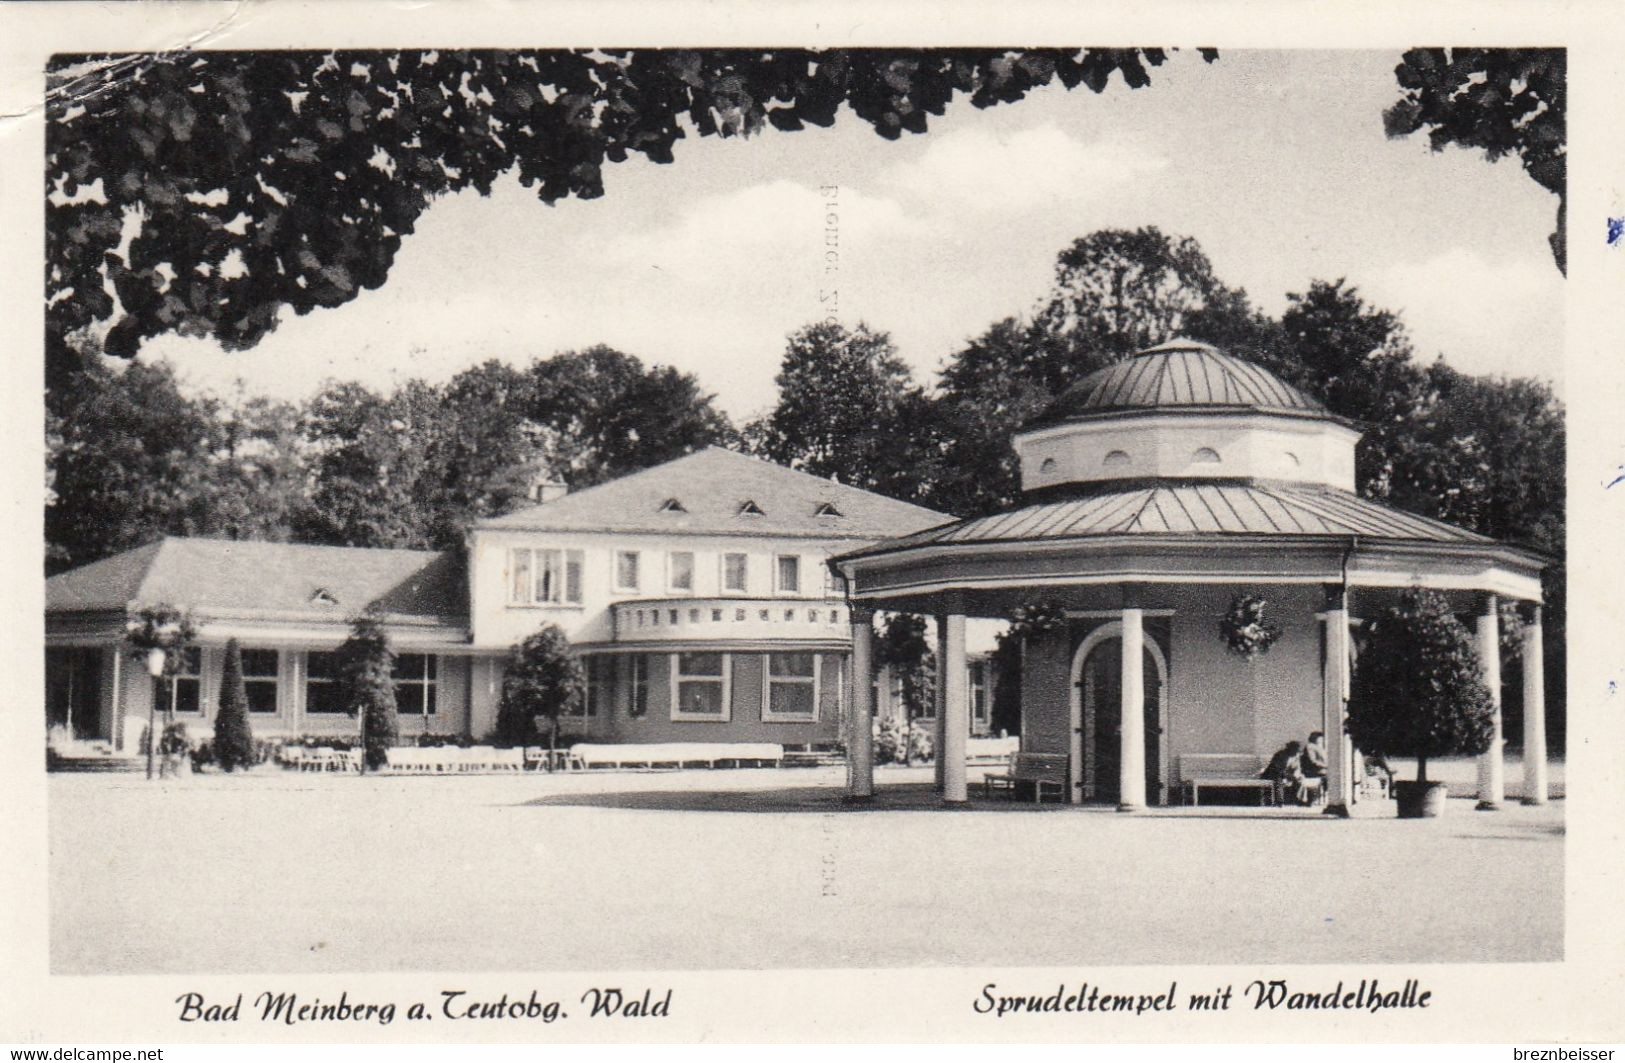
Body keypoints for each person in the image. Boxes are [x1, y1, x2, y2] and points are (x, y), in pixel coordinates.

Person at [1260, 740, 1305, 805]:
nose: (1296, 753)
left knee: (1298, 780)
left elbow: (1295, 768)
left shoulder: (1294, 757)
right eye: (1295, 750)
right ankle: (1279, 801)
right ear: (1290, 749)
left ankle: (1295, 800)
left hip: (1284, 774)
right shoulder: (1281, 755)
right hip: (1272, 774)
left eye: (1297, 751)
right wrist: (1287, 776)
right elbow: (1276, 768)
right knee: (1279, 780)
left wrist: (1296, 775)